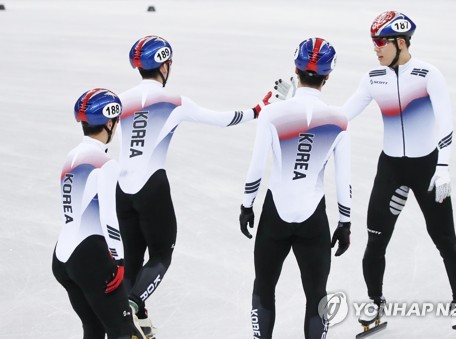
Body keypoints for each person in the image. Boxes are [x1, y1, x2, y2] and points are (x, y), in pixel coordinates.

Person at [116, 35, 273, 337]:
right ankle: (134, 305)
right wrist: (256, 111)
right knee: (162, 255)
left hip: (122, 191)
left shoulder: (120, 101)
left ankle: (132, 322)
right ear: (165, 65)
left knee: (132, 259)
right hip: (152, 188)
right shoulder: (175, 102)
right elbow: (221, 119)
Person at [341, 11, 456, 333]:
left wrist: (443, 167)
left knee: (445, 241)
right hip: (392, 168)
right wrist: (303, 112)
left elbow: (447, 123)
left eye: (380, 43)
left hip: (427, 167)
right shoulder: (373, 78)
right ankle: (375, 303)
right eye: (373, 43)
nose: (376, 49)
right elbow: (342, 116)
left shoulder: (427, 74)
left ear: (400, 42)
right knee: (375, 241)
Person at [239, 37, 352, 339]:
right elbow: (344, 179)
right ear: (328, 76)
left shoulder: (272, 114)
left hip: (275, 213)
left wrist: (246, 205)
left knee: (263, 286)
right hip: (313, 216)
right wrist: (345, 222)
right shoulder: (339, 120)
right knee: (316, 294)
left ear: (295, 69)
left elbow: (255, 169)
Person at [52, 88, 146, 339]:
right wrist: (119, 261)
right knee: (125, 332)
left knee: (93, 328)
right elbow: (108, 216)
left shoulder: (71, 156)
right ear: (110, 122)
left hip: (62, 257)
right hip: (89, 258)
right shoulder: (105, 163)